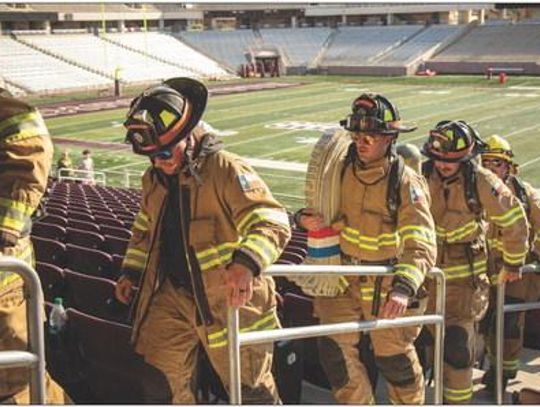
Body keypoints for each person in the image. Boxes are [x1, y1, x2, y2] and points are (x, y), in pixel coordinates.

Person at [114, 77, 291, 403]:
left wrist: (247, 262)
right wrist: (132, 272)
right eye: (151, 156)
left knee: (250, 391)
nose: (159, 162)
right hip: (174, 295)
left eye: (165, 152)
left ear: (188, 137)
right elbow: (143, 229)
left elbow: (272, 219)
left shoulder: (225, 168)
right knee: (159, 379)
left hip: (229, 301)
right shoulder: (154, 178)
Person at [295, 93, 436, 404]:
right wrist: (302, 218)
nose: (362, 141)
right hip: (341, 277)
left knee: (394, 361)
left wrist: (403, 288)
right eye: (358, 134)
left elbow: (421, 242)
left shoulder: (405, 182)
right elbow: (316, 206)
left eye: (371, 135)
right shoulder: (338, 170)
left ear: (389, 137)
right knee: (334, 354)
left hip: (386, 284)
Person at [421, 121, 529, 404]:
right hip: (426, 281)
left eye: (451, 160)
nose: (443, 165)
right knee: (427, 348)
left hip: (464, 285)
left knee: (458, 351)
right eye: (439, 159)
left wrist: (514, 264)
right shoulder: (420, 176)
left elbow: (515, 222)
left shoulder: (481, 181)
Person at [0, 81, 69, 402]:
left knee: (18, 380)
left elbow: (31, 147)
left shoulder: (9, 111)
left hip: (5, 282)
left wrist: (6, 228)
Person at [480, 135, 540, 392]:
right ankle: (493, 369)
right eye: (486, 162)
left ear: (508, 167)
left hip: (516, 275)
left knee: (510, 328)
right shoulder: (474, 191)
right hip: (483, 273)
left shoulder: (525, 194)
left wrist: (534, 255)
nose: (491, 167)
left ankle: (502, 377)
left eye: (497, 162)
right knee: (490, 324)